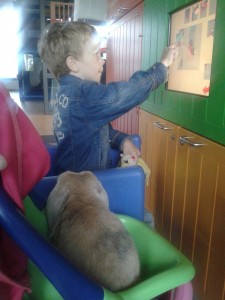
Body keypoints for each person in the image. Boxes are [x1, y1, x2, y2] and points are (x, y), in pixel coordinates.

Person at [38, 21, 178, 174]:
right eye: (96, 54)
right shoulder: (82, 94)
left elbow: (96, 130)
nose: (102, 60)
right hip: (82, 190)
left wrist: (121, 140)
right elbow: (123, 94)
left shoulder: (66, 93)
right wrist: (162, 68)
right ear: (73, 64)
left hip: (70, 180)